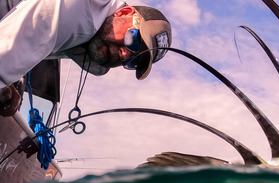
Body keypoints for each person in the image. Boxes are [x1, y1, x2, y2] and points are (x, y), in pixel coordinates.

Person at [0, 0, 171, 117]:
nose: (125, 55)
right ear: (124, 12)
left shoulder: (94, 39)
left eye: (134, 61)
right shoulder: (80, 10)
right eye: (133, 40)